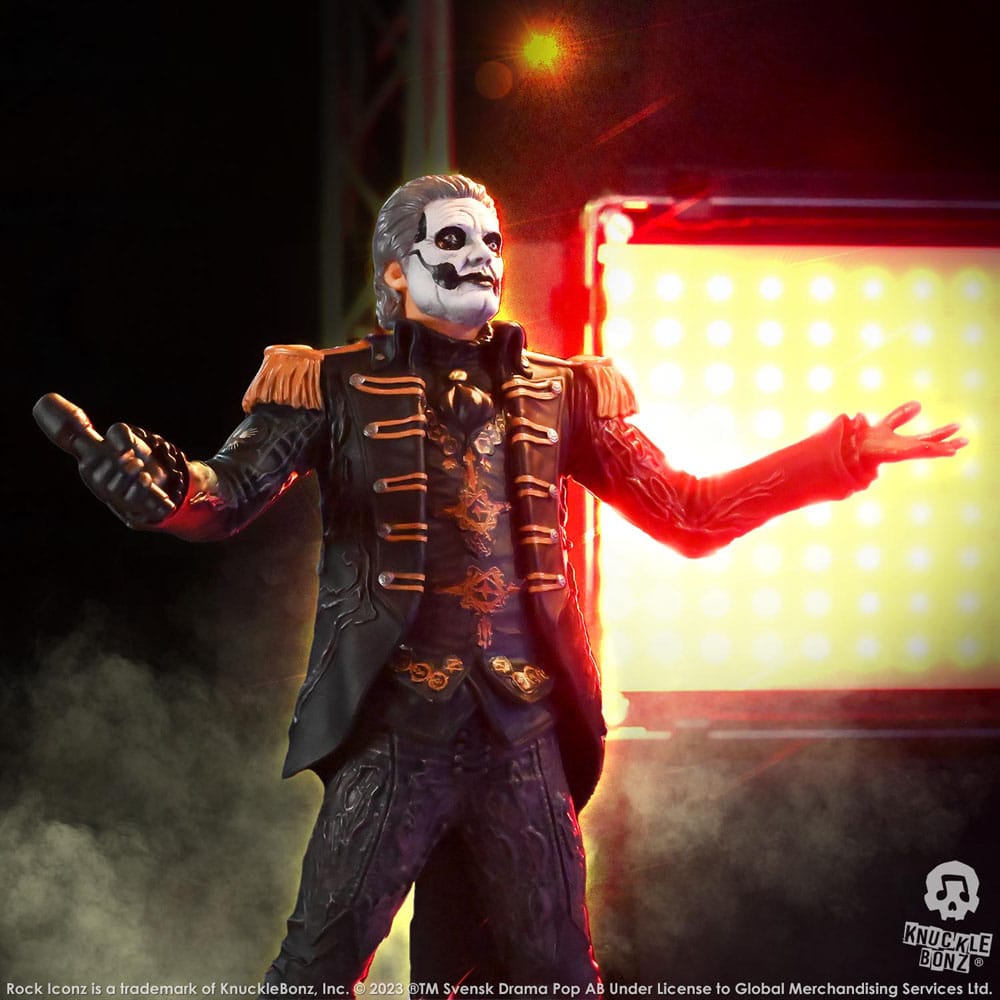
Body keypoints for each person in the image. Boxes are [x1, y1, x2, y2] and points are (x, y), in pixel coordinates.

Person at [34, 173, 966, 989]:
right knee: (315, 968)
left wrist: (842, 454)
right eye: (452, 240)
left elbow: (689, 513)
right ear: (395, 271)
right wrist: (160, 489)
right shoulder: (331, 385)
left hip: (523, 741)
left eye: (489, 239)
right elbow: (226, 496)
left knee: (559, 977)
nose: (480, 256)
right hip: (395, 739)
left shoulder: (564, 391)